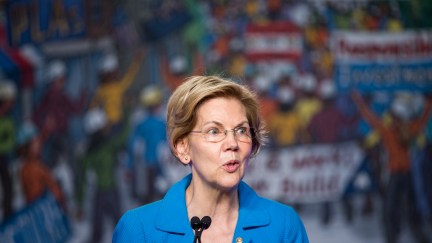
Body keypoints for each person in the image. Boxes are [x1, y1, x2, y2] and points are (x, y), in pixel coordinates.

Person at [113, 75, 309, 242]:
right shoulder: (138, 231)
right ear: (183, 148)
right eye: (214, 131)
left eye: (241, 130)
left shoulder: (284, 226)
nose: (232, 143)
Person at [352, 90, 432, 243]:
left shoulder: (391, 131)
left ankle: (397, 237)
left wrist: (359, 101)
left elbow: (370, 118)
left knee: (394, 209)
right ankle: (409, 236)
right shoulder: (408, 129)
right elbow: (424, 117)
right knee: (405, 210)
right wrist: (428, 103)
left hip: (398, 175)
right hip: (403, 175)